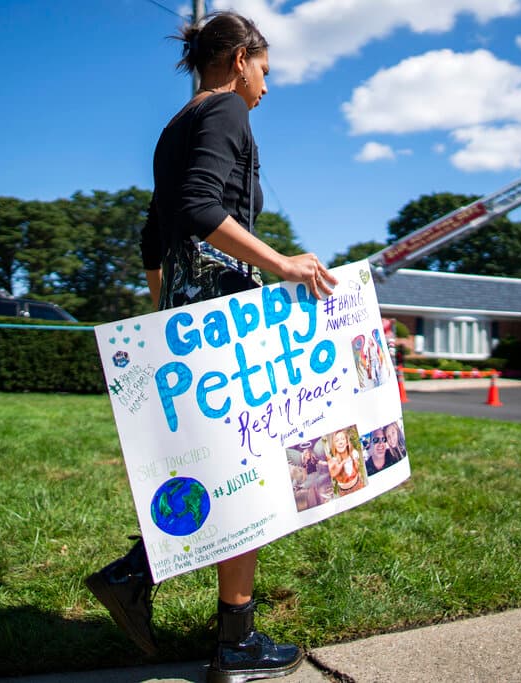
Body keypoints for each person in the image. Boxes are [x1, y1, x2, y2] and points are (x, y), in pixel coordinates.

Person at [84, 12, 337, 683]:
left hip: (187, 310)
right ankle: (227, 635)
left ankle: (152, 585)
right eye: (265, 71)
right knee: (251, 465)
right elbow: (200, 208)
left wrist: (166, 313)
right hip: (222, 313)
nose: (266, 87)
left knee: (221, 462)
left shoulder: (177, 124)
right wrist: (280, 263)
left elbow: (154, 234)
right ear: (239, 58)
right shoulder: (227, 110)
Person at [327, 428, 365, 495]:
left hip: (359, 485)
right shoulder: (334, 461)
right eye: (337, 440)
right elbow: (332, 474)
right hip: (344, 492)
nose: (340, 442)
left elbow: (358, 469)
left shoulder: (354, 454)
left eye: (342, 439)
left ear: (347, 442)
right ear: (334, 445)